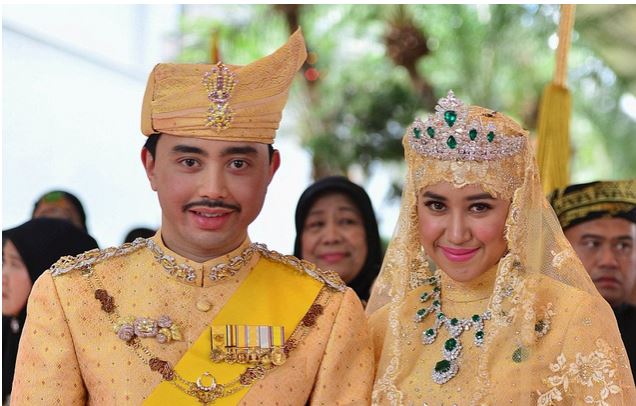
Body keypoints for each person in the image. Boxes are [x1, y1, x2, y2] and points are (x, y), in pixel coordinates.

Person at [11, 29, 374, 405]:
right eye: (189, 162)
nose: (213, 189)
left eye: (238, 163)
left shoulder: (328, 308)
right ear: (151, 166)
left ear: (270, 170)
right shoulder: (72, 294)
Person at [367, 90, 635, 404]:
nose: (456, 233)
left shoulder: (575, 317)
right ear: (414, 210)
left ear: (515, 210)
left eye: (479, 207)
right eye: (437, 206)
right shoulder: (385, 325)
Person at [3, 218, 98, 404]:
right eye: (3, 261)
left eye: (15, 264)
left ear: (43, 267)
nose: (3, 276)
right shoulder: (7, 331)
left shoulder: (84, 349)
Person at [549, 179, 636, 377]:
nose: (609, 261)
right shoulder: (529, 329)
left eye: (623, 246)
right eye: (591, 243)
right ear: (557, 250)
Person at [294, 175, 383, 304]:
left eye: (347, 221)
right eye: (317, 224)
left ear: (369, 234)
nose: (331, 237)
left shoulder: (401, 308)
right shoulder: (276, 307)